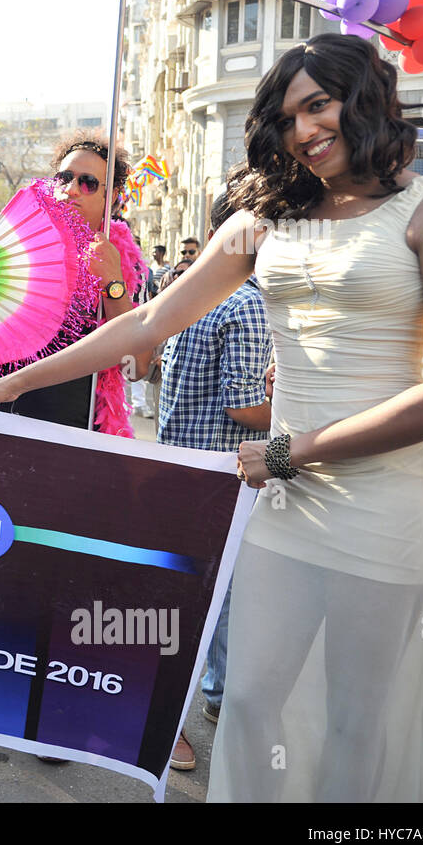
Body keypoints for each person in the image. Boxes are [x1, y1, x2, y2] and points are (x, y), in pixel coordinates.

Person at [0, 34, 423, 801]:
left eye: (319, 105)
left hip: (383, 504)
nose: (304, 129)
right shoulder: (262, 223)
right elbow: (146, 324)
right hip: (281, 501)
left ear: (367, 100)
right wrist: (18, 381)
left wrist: (294, 450)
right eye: (288, 115)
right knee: (253, 701)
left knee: (357, 719)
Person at [155, 188, 273, 771]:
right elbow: (244, 408)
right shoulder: (247, 304)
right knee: (212, 603)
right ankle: (170, 723)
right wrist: (312, 414)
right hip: (223, 475)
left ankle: (212, 703)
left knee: (201, 599)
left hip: (184, 468)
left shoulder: (192, 297)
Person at [0, 129, 149, 434]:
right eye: (64, 179)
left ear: (111, 196)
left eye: (87, 183)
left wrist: (113, 283)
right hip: (2, 425)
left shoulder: (118, 260)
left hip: (74, 438)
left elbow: (137, 366)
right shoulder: (13, 252)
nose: (72, 190)